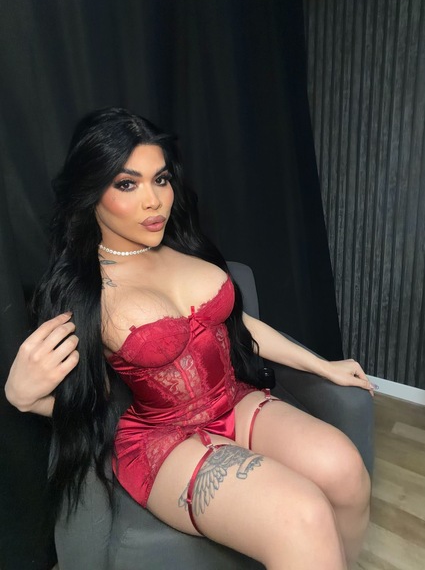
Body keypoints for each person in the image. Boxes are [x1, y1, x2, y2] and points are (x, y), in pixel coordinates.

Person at [5, 107, 373, 569]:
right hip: (163, 438)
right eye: (127, 184)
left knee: (345, 469)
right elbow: (90, 400)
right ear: (91, 192)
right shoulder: (82, 291)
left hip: (232, 400)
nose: (154, 201)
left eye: (160, 179)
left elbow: (238, 326)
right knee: (302, 515)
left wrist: (322, 365)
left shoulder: (182, 245)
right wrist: (24, 398)